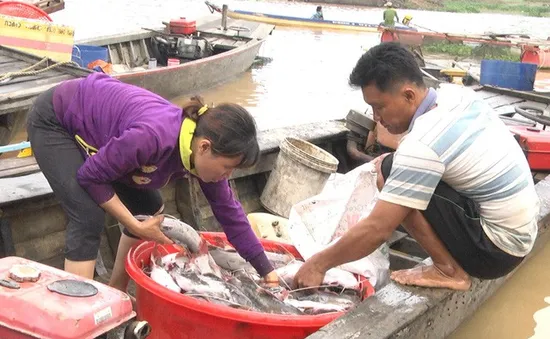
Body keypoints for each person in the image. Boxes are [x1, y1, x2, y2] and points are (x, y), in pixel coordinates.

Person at [294, 42, 539, 291]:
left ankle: (448, 270)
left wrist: (318, 264)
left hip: (495, 253)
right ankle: (448, 263)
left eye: (379, 107)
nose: (376, 117)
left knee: (389, 174)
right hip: (521, 235)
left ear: (409, 95)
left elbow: (378, 228)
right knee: (391, 166)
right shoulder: (455, 95)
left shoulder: (422, 144)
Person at [27, 72, 279, 293]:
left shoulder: (199, 150)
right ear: (204, 147)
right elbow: (89, 176)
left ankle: (118, 290)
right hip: (57, 120)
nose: (226, 176)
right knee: (87, 215)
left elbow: (230, 213)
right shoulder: (154, 137)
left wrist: (267, 271)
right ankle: (77, 315)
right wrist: (134, 225)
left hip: (105, 137)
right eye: (227, 168)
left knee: (149, 206)